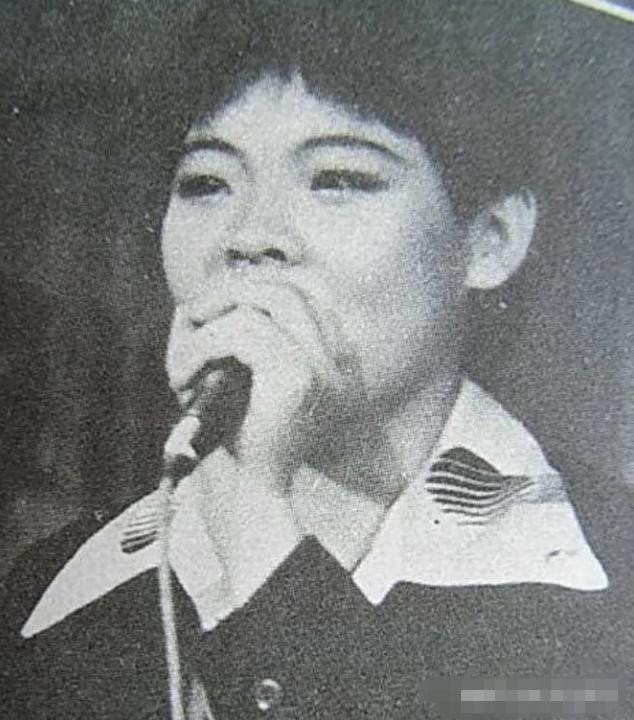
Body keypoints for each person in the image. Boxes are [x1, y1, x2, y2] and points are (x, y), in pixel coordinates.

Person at [2, 1, 632, 718]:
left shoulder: (611, 573)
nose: (251, 236)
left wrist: (255, 518)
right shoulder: (56, 589)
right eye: (207, 182)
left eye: (337, 178)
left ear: (489, 239)